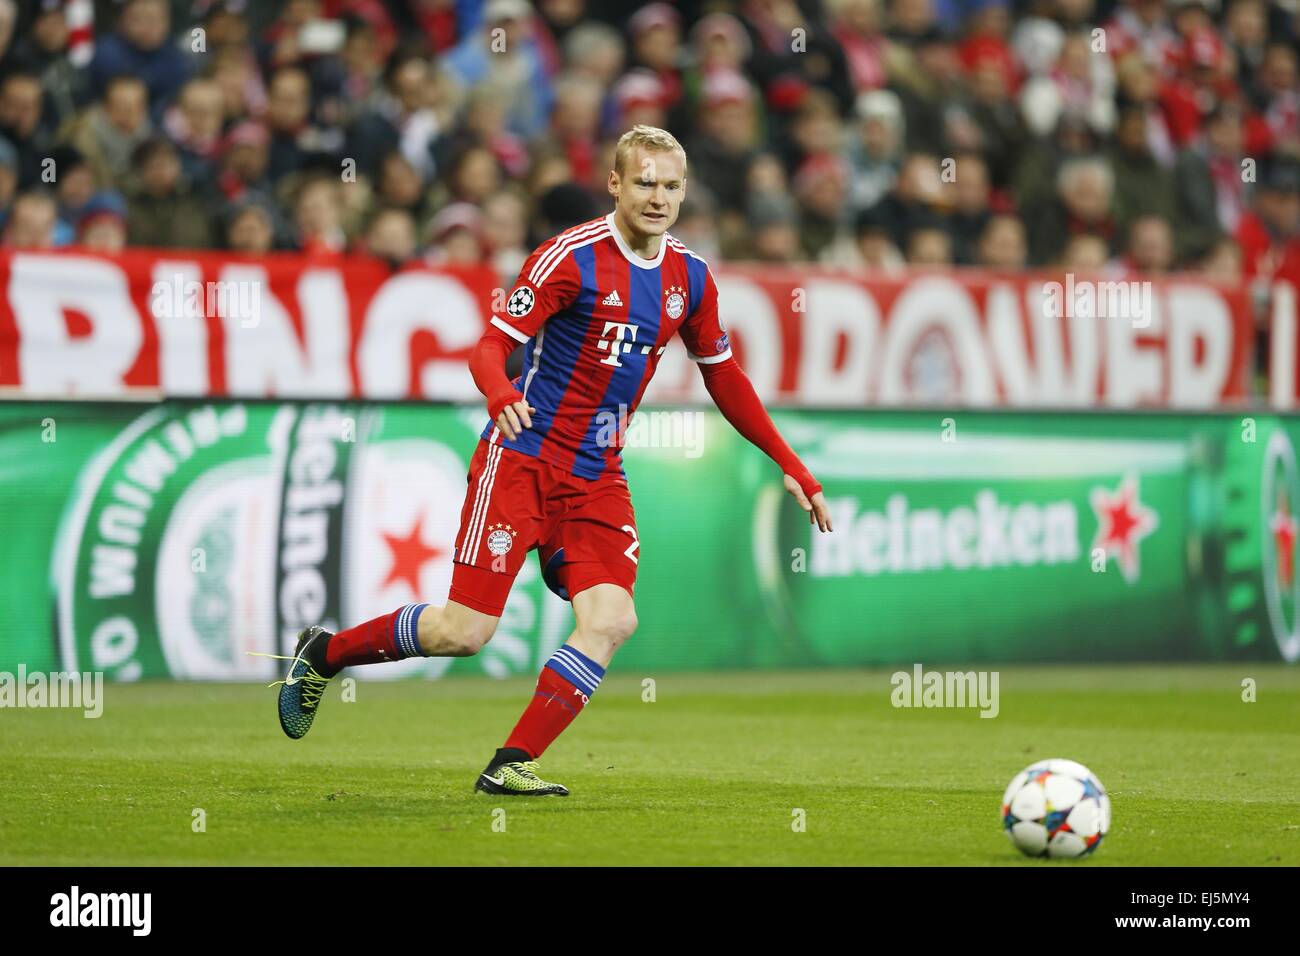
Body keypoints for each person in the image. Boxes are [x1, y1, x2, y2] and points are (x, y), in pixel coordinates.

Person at [273, 125, 832, 795]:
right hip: (522, 461)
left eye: (672, 185)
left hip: (596, 475)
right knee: (465, 631)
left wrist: (791, 463)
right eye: (645, 182)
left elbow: (725, 377)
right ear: (616, 185)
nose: (658, 197)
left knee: (613, 620)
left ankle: (511, 762)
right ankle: (324, 655)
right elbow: (488, 346)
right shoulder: (568, 258)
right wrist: (502, 390)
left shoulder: (690, 277)